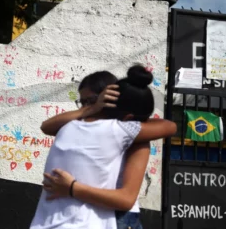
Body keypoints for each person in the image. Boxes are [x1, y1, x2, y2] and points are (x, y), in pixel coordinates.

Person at [30, 65, 177, 229]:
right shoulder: (78, 126)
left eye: (90, 101)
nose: (85, 107)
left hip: (116, 217)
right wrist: (91, 108)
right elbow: (46, 127)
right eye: (82, 102)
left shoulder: (130, 135)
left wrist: (72, 188)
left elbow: (126, 199)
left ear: (110, 98)